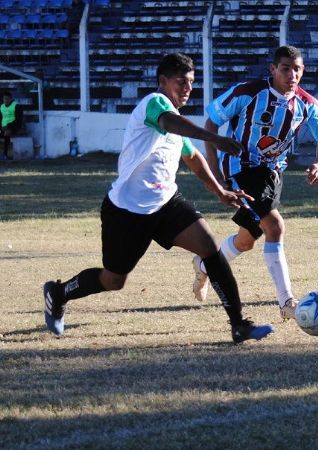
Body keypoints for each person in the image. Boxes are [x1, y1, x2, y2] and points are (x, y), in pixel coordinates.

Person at [42, 53, 274, 344]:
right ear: (163, 81)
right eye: (181, 82)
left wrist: (220, 191)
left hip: (166, 203)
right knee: (114, 280)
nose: (187, 88)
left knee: (210, 249)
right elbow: (170, 123)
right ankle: (58, 293)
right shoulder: (155, 105)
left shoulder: (177, 120)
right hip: (126, 210)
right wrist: (215, 138)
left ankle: (239, 325)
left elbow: (192, 157)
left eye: (191, 82)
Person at [190, 45, 318, 322]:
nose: (292, 74)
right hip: (240, 167)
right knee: (275, 225)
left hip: (271, 174)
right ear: (273, 69)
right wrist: (216, 172)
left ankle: (205, 265)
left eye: (297, 69)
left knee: (246, 241)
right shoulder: (248, 92)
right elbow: (210, 125)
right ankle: (287, 302)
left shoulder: (307, 104)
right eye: (285, 68)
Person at [1, 91, 24, 160]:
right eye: (4, 99)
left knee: (7, 133)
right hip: (3, 127)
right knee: (4, 131)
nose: (6, 100)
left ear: (11, 99)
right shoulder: (1, 106)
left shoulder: (16, 106)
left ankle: (5, 154)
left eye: (7, 99)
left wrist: (8, 125)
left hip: (14, 126)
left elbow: (19, 119)